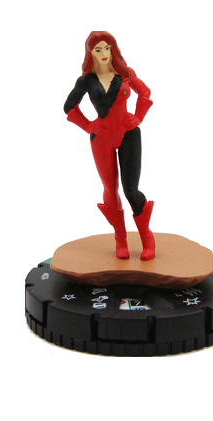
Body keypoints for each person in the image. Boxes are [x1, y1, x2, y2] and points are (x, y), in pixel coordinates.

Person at [64, 31, 155, 260]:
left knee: (131, 189)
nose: (104, 53)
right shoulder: (86, 80)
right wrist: (88, 126)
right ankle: (120, 239)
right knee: (110, 189)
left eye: (107, 48)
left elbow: (144, 93)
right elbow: (69, 107)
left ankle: (147, 238)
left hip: (128, 134)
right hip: (102, 139)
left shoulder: (125, 74)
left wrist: (138, 117)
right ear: (90, 53)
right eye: (98, 49)